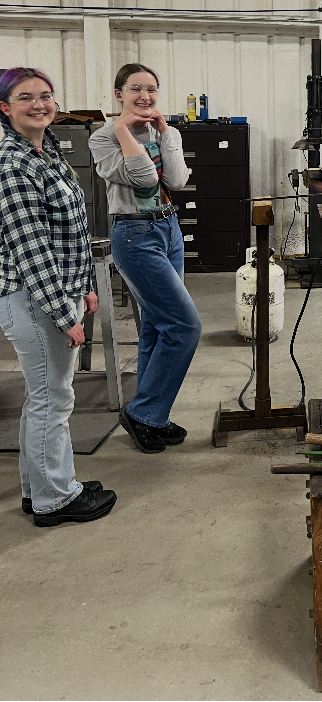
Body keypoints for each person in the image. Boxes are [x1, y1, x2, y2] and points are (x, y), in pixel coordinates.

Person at [0, 67, 116, 525]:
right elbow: (31, 249)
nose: (39, 104)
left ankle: (41, 488)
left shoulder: (45, 152)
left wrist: (84, 286)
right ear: (5, 107)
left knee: (43, 397)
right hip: (34, 299)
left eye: (45, 95)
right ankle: (56, 500)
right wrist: (63, 314)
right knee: (52, 399)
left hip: (53, 292)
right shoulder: (13, 165)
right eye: (26, 97)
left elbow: (69, 232)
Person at [89, 64, 201, 454]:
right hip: (134, 235)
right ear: (118, 93)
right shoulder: (103, 137)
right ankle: (143, 412)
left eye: (152, 89)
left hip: (169, 228)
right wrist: (123, 129)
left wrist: (167, 133)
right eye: (135, 88)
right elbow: (146, 179)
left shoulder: (165, 132)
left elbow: (177, 181)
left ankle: (154, 413)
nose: (145, 96)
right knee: (185, 326)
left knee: (157, 325)